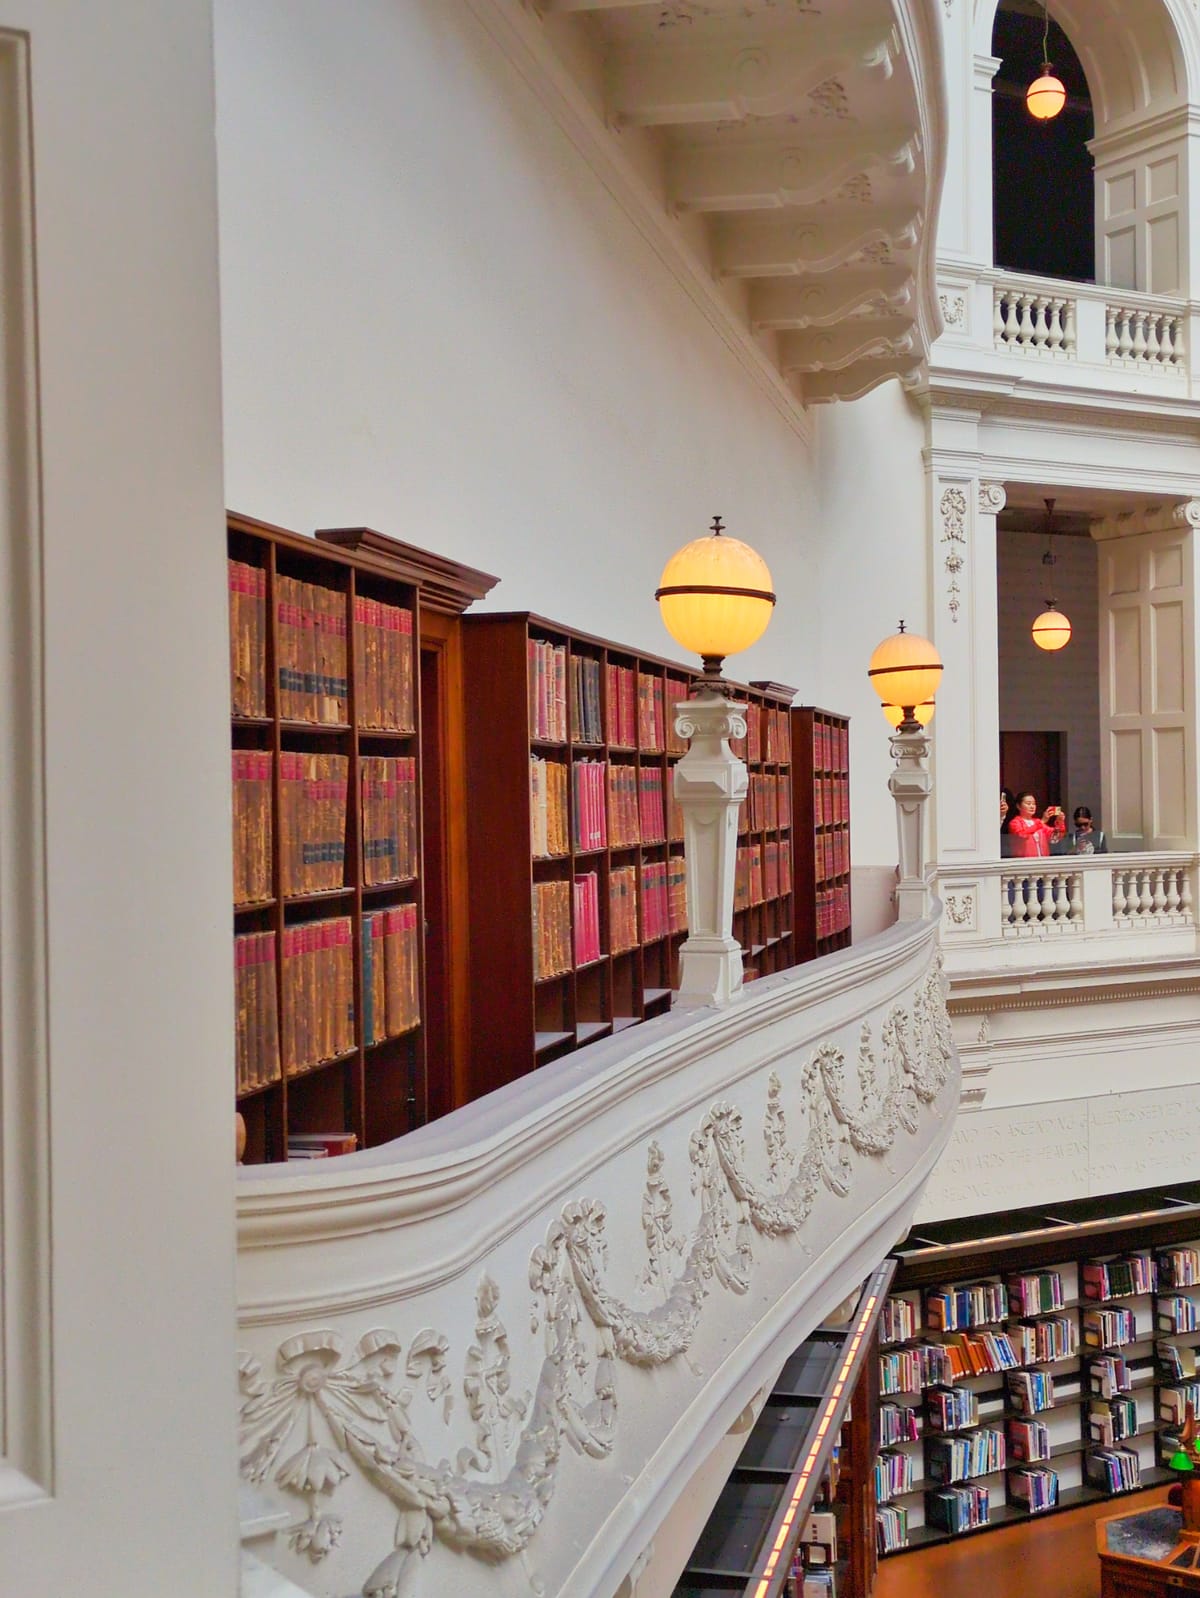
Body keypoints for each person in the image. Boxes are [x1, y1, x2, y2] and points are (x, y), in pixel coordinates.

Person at [1006, 792, 1066, 858]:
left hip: (1042, 861)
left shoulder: (1037, 821)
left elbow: (1055, 838)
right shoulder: (1015, 823)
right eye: (1028, 804)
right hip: (1024, 863)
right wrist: (1042, 822)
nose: (1032, 806)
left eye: (1034, 804)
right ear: (1018, 806)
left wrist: (1060, 822)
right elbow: (1022, 835)